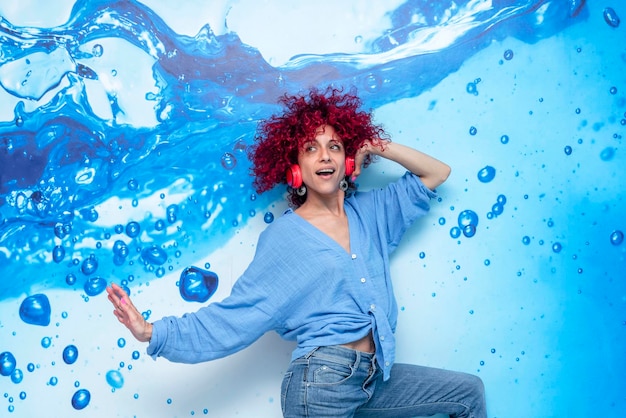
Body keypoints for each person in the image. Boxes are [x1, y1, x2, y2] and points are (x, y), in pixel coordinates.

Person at [106, 86, 487, 417]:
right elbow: (235, 317)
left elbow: (436, 173)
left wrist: (377, 145)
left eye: (334, 147)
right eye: (311, 149)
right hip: (320, 383)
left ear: (347, 162)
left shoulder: (373, 213)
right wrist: (151, 332)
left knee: (468, 393)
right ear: (295, 168)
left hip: (374, 375)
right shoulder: (285, 238)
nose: (324, 156)